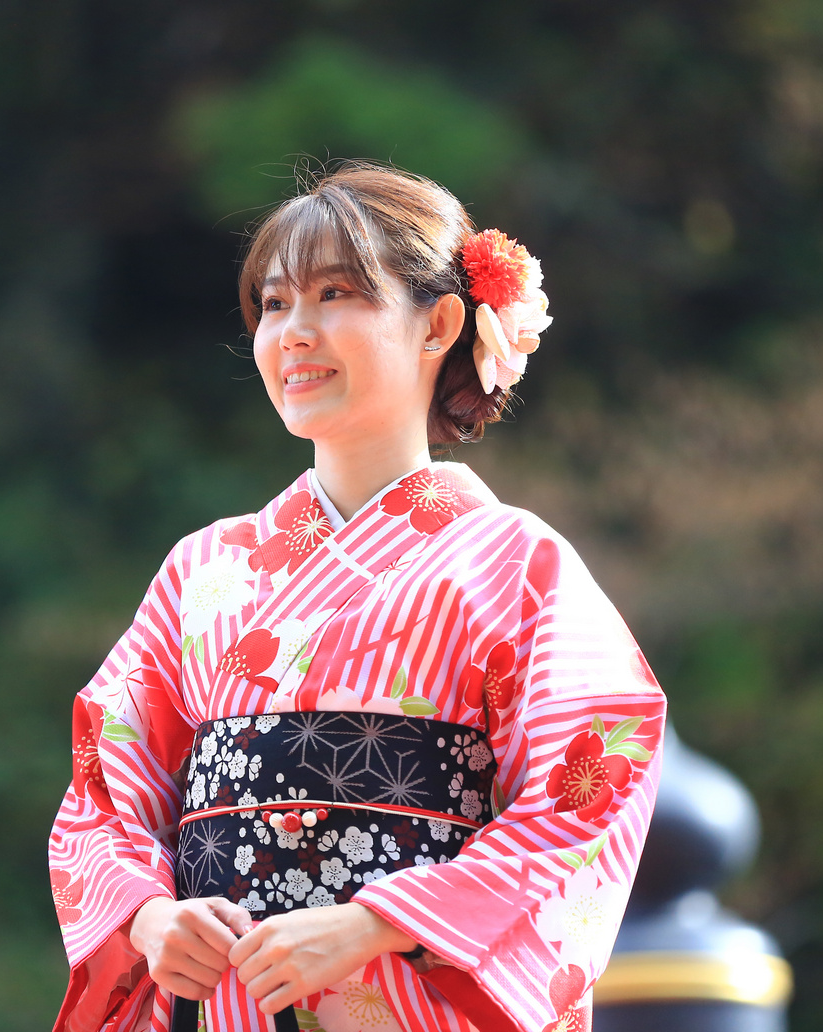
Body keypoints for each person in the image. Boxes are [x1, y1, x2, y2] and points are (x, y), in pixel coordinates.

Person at [48, 162, 666, 1032]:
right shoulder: (201, 569)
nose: (293, 333)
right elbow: (106, 793)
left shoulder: (514, 562)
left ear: (438, 323)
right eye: (271, 305)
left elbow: (588, 788)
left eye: (335, 294)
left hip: (408, 997)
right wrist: (152, 918)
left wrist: (374, 922)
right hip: (224, 998)